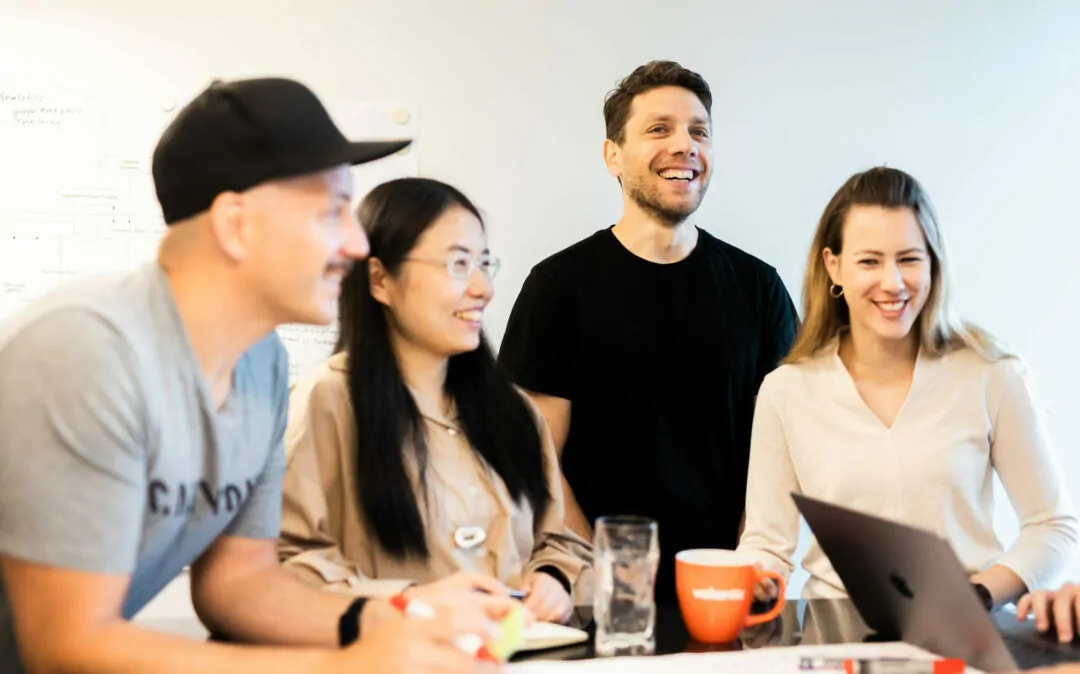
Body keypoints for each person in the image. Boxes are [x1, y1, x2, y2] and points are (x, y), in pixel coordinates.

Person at [0, 77, 516, 674]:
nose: (356, 243)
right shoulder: (85, 350)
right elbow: (66, 645)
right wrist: (345, 668)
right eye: (332, 211)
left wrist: (396, 616)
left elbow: (239, 582)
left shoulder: (260, 362)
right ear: (235, 224)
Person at [496, 59, 799, 601]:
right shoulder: (558, 287)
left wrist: (745, 564)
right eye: (660, 129)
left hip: (730, 591)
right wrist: (609, 578)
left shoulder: (759, 288)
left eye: (699, 132)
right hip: (597, 597)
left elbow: (782, 454)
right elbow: (535, 460)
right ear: (612, 154)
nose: (685, 145)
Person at [737, 166, 1078, 608]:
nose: (893, 282)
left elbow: (1053, 527)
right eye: (869, 261)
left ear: (933, 263)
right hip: (836, 635)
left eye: (909, 259)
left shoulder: (991, 375)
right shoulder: (786, 391)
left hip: (967, 630)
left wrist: (975, 597)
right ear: (833, 266)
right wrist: (756, 581)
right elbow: (766, 545)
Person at [278, 177, 593, 625]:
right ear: (380, 280)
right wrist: (410, 602)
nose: (483, 287)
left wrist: (552, 579)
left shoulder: (512, 410)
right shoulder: (326, 401)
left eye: (484, 263)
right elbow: (286, 566)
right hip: (394, 654)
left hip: (515, 652)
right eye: (458, 264)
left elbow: (558, 540)